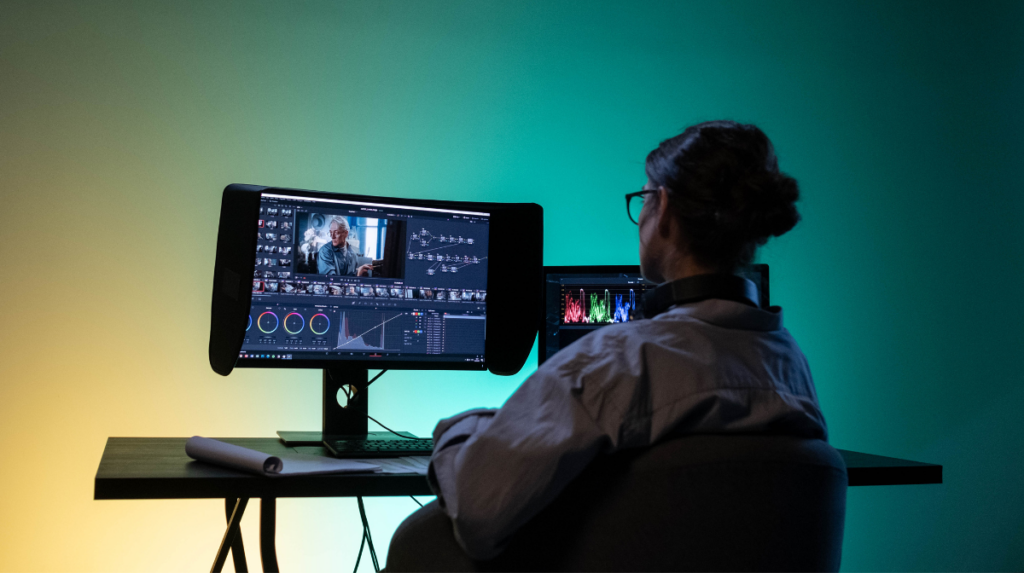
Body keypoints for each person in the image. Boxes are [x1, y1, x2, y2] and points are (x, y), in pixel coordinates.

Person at [425, 120, 828, 560]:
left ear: (666, 210)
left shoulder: (616, 363)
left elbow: (480, 514)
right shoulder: (790, 367)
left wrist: (458, 432)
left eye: (644, 200)